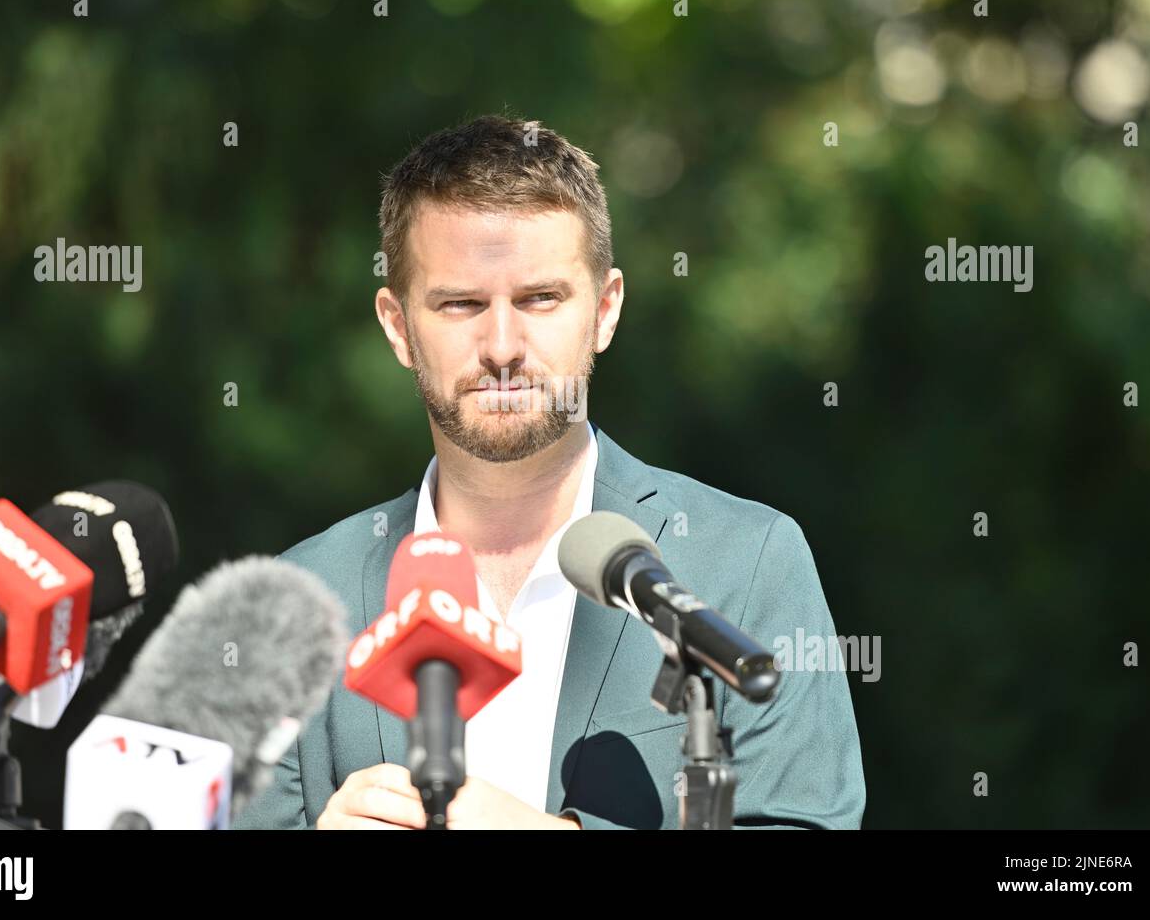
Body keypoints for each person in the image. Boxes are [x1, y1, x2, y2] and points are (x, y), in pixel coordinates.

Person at [234, 114, 865, 829]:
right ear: (398, 325)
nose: (502, 345)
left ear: (604, 309)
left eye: (539, 299)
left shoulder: (748, 561)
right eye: (461, 303)